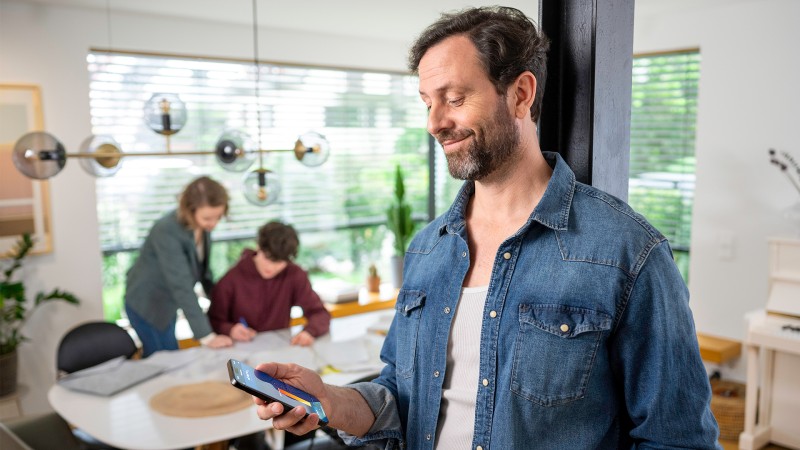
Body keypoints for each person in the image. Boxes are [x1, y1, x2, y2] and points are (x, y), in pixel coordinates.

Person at [251, 6, 721, 449]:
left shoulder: (627, 251)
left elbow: (677, 438)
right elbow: (401, 397)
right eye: (427, 103)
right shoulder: (427, 249)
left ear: (521, 94)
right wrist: (329, 401)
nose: (435, 123)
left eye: (454, 99)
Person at [124, 176, 233, 358]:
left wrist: (222, 307)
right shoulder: (166, 230)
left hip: (168, 304)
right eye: (208, 218)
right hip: (148, 304)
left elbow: (203, 272)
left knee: (168, 358)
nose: (213, 224)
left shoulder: (202, 228)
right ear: (190, 210)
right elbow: (181, 284)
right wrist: (206, 336)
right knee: (166, 361)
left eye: (218, 217)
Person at [209, 221, 331, 346]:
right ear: (258, 247)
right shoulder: (231, 279)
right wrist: (230, 329)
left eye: (279, 262)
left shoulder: (294, 275)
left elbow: (320, 313)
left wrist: (309, 332)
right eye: (267, 258)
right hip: (240, 350)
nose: (271, 267)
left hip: (281, 348)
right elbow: (212, 321)